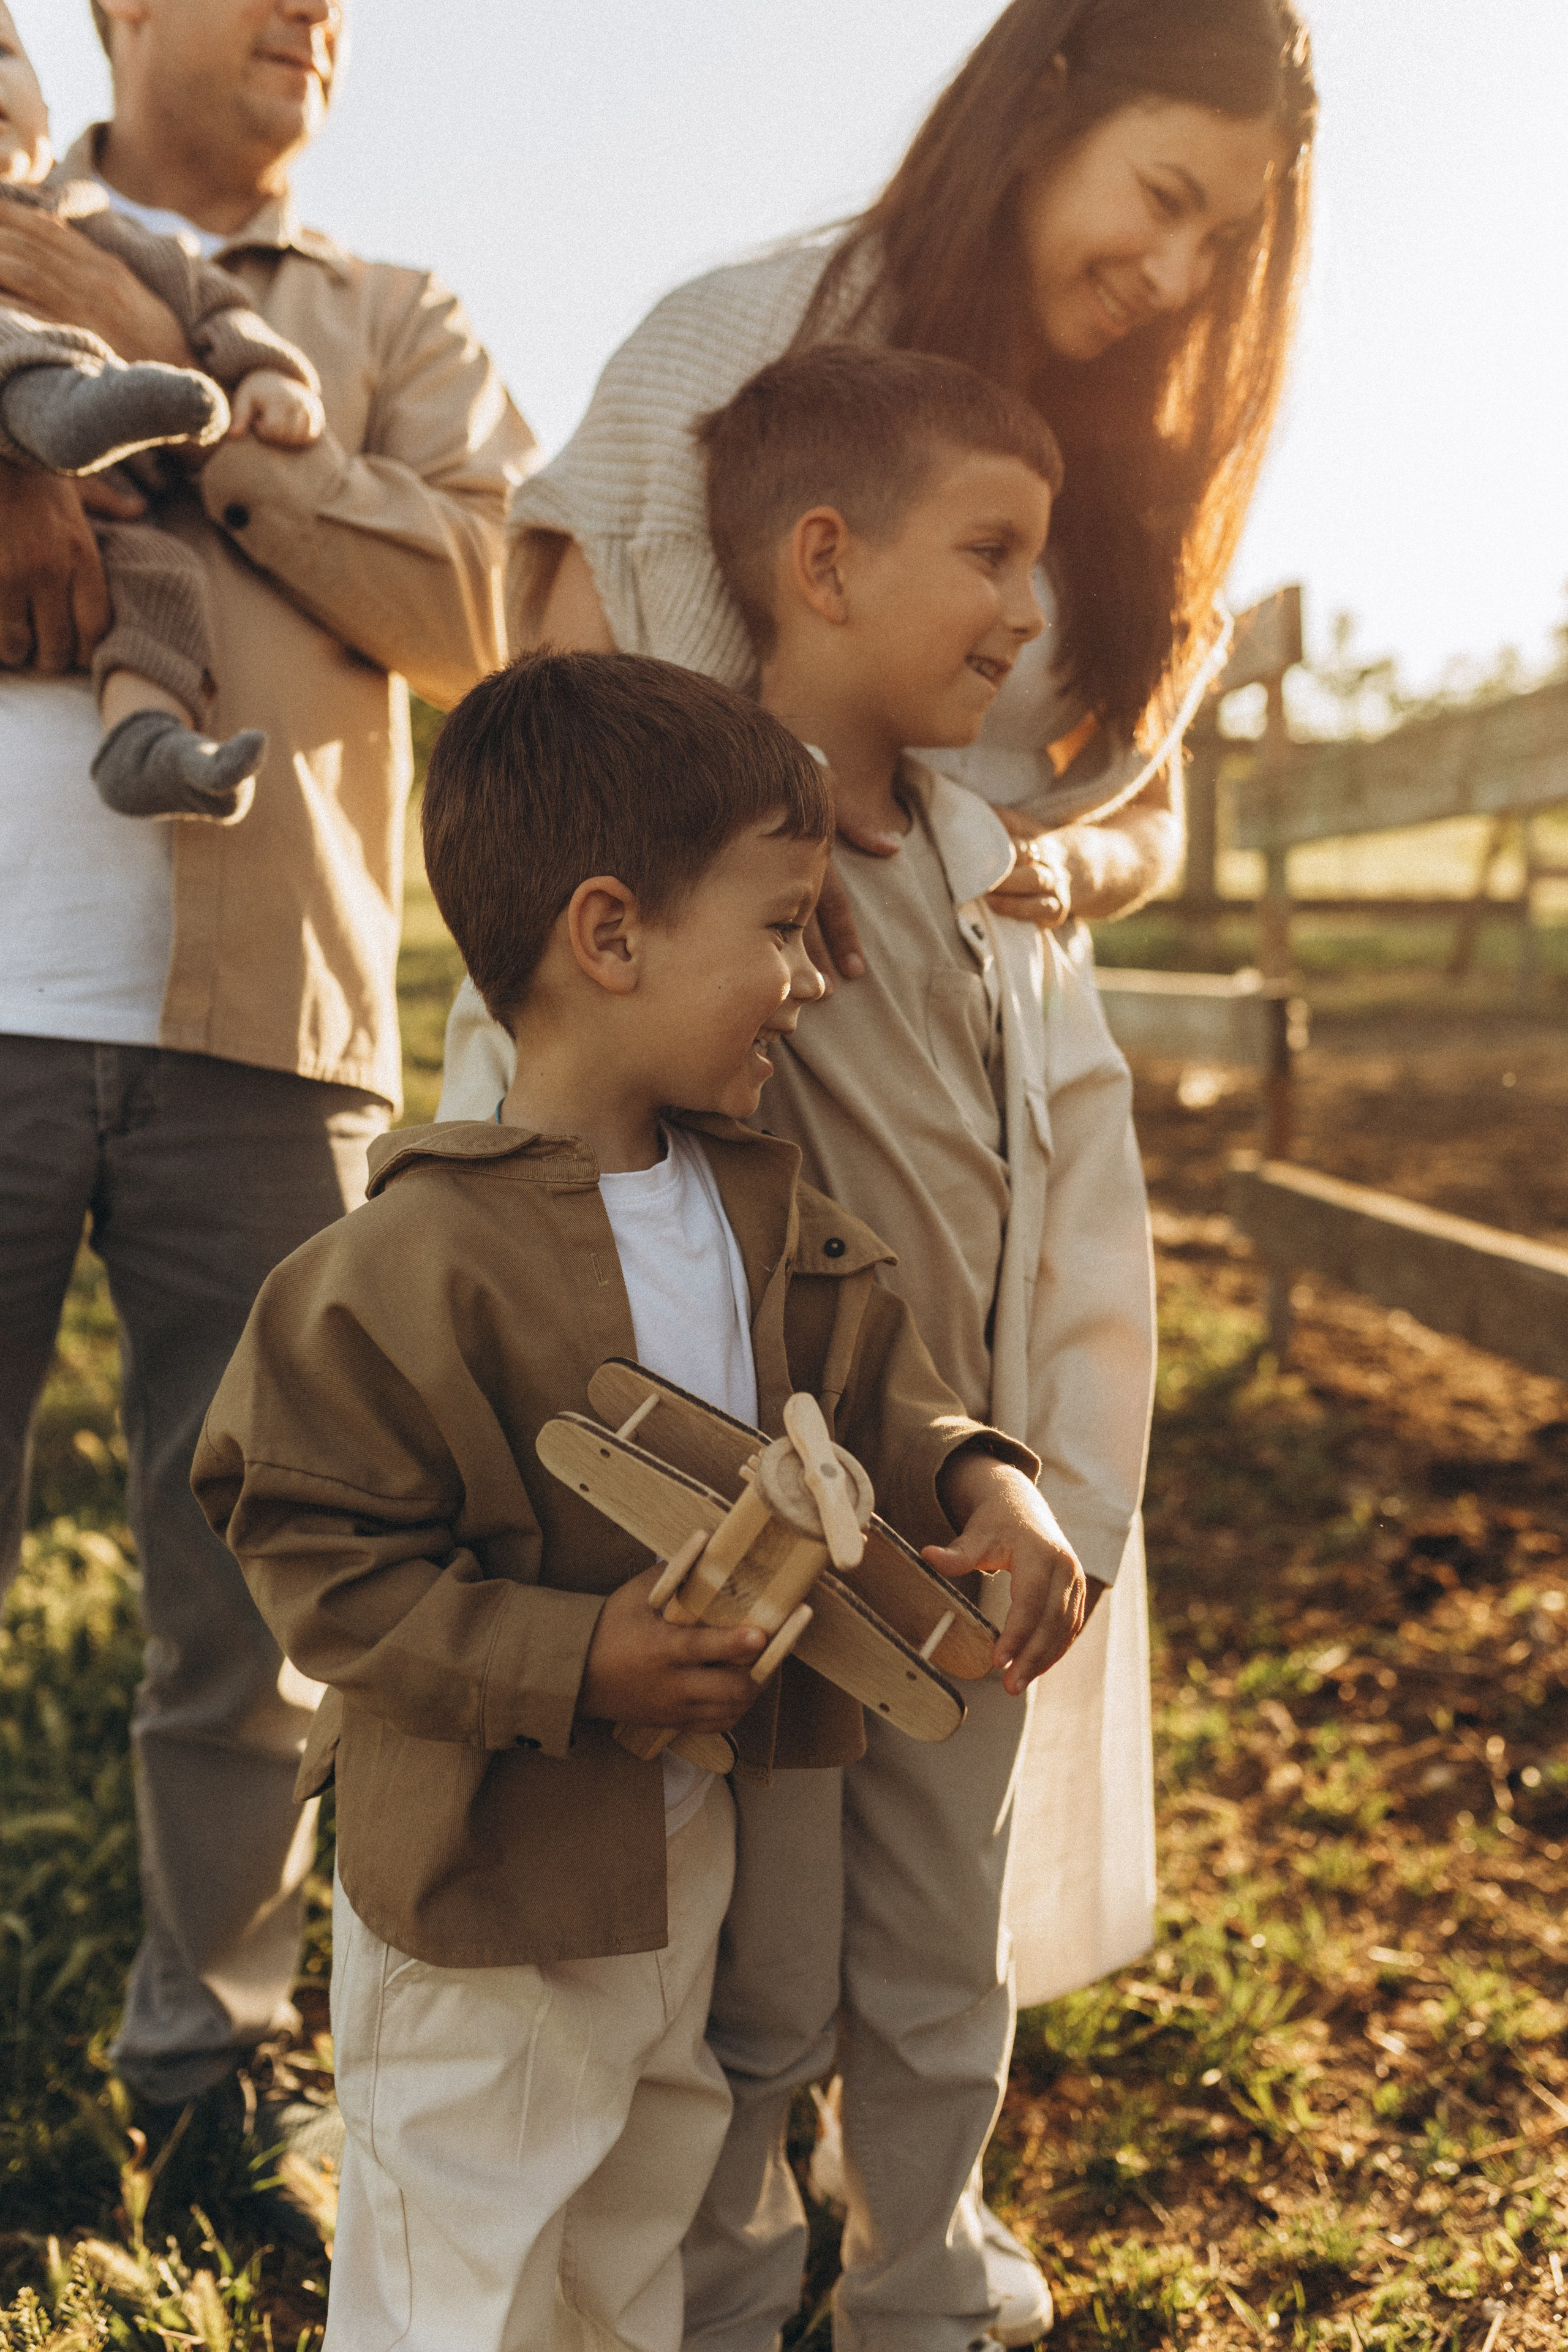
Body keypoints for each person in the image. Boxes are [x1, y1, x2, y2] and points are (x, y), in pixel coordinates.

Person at [439, 3, 1317, 2343]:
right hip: (747, 1250)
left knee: (929, 1860)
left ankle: (914, 2266)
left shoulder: (1102, 466)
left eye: (1224, 244)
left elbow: (1094, 804)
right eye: (1162, 195)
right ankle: (682, 2273)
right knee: (734, 1903)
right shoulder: (748, 347)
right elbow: (557, 734)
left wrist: (1053, 876)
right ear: (1049, 107)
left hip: (968, 1171)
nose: (1174, 268)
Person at [192, 647, 1089, 2352]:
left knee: (633, 2232)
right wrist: (570, 1658)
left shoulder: (754, 1204)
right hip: (484, 1891)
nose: (805, 981)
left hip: (678, 1875)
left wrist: (986, 1476)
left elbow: (872, 1378)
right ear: (609, 937)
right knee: (463, 2260)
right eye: (778, 927)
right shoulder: (400, 1268)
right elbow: (313, 1552)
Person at [0, 0, 533, 2120]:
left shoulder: (389, 316)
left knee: (262, 1606)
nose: (321, 13)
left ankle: (208, 2065)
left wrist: (186, 418)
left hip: (266, 1036)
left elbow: (485, 594)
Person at [0, 1, 325, 821]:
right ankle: (59, 403)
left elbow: (208, 301)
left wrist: (261, 368)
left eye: (3, 54)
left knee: (164, 576)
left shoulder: (85, 221)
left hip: (114, 520)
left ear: (44, 104)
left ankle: (148, 740)